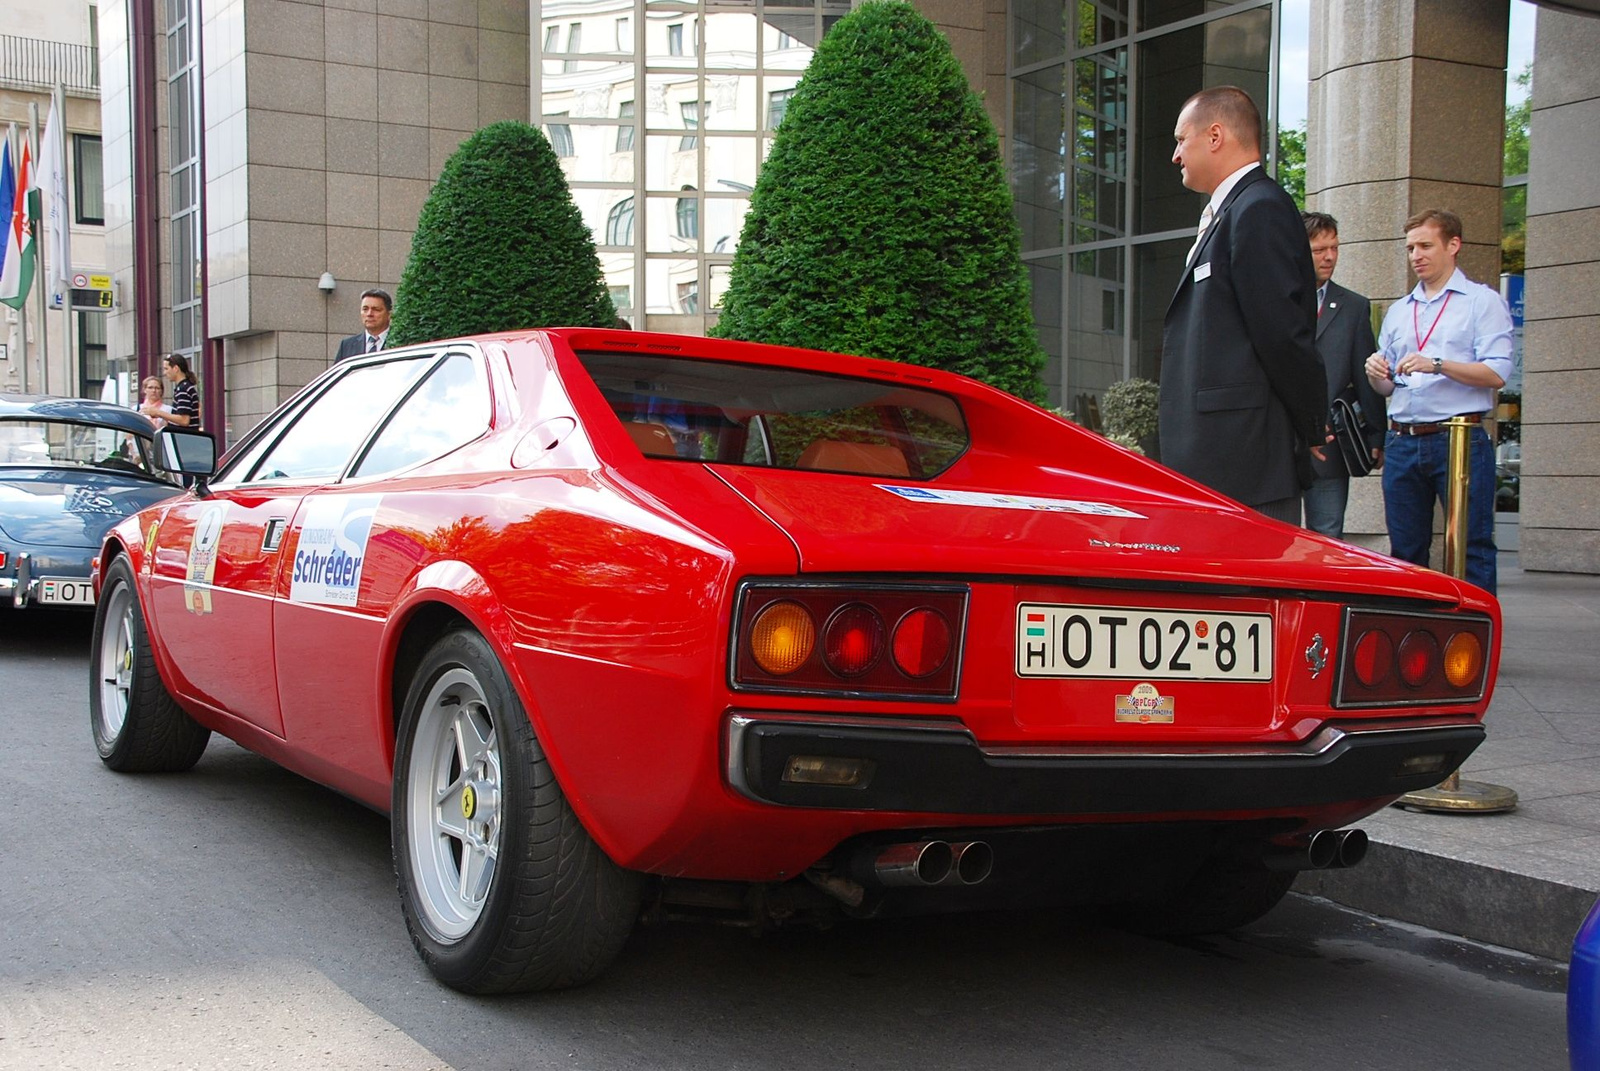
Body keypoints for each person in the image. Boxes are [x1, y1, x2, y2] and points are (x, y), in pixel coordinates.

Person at [1159, 86, 1327, 525]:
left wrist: (1311, 424)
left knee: (1251, 588)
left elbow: (1283, 333)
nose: (1176, 155)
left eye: (1181, 139)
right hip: (1221, 461)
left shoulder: (1260, 209)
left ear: (1215, 135)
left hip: (1246, 463)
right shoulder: (1234, 210)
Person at [1363, 208, 1512, 594]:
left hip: (1457, 438)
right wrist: (1378, 374)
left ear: (1454, 245)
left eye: (1426, 245)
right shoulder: (1399, 311)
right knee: (1405, 551)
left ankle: (1476, 641)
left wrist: (1439, 365)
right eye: (1411, 247)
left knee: (1471, 546)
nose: (1416, 255)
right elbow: (1390, 388)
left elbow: (1497, 373)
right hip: (1403, 439)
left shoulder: (1481, 302)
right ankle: (1411, 640)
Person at [1302, 211, 1383, 539]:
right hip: (1281, 446)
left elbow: (1366, 374)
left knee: (1328, 537)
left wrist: (1377, 436)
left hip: (1332, 444)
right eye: (1319, 250)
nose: (1330, 256)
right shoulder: (1274, 300)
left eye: (1334, 247)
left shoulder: (1353, 306)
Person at [145, 354, 201, 430]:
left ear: (175, 368)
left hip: (184, 437)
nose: (164, 373)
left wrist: (158, 412)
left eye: (166, 369)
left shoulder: (183, 389)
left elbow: (184, 420)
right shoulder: (184, 387)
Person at [336, 288, 393, 361]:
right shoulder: (347, 345)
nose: (369, 314)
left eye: (376, 309)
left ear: (389, 314)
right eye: (365, 309)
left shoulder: (401, 342)